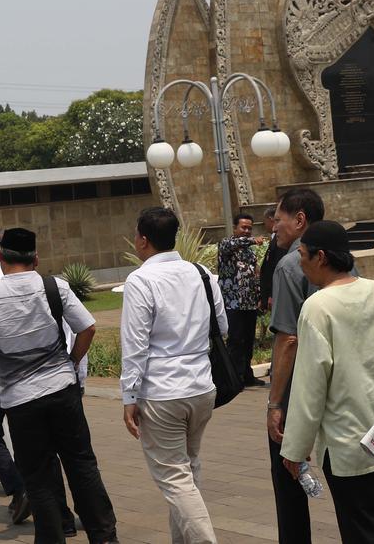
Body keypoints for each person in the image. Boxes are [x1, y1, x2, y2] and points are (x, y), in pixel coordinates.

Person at [0, 228, 118, 544]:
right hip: (62, 390)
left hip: (20, 401)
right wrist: (71, 362)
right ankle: (104, 536)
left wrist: (4, 345)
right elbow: (87, 328)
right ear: (36, 258)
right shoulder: (54, 286)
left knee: (38, 476)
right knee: (82, 464)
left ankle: (53, 537)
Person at [279, 221, 374, 543]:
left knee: (360, 527)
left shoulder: (318, 306)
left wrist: (294, 448)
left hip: (346, 439)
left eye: (304, 255)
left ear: (320, 257)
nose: (301, 262)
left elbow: (310, 386)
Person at [121, 208, 227, 543]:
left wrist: (129, 397)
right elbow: (221, 326)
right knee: (187, 469)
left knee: (175, 478)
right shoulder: (201, 273)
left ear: (143, 240)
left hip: (163, 392)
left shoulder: (141, 280)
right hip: (201, 387)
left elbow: (135, 345)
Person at [266, 187, 325, 544]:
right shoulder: (344, 258)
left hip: (298, 384)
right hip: (340, 380)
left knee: (287, 471)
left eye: (279, 219)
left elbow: (287, 339)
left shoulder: (290, 264)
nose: (274, 227)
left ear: (299, 220)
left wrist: (275, 403)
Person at [217, 212, 264, 387]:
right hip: (232, 303)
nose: (246, 231)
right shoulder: (226, 245)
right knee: (235, 341)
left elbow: (255, 276)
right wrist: (254, 240)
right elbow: (235, 243)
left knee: (248, 341)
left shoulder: (249, 254)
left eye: (250, 228)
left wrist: (259, 297)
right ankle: (234, 378)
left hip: (249, 304)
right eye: (243, 227)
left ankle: (247, 375)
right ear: (235, 228)